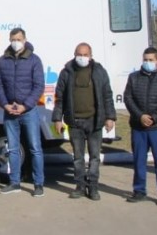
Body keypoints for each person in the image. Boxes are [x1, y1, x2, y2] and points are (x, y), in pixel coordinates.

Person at [52, 42, 116, 201]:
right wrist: (57, 119)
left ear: (90, 56)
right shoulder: (67, 72)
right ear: (74, 55)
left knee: (94, 157)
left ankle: (93, 186)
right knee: (78, 157)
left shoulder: (99, 71)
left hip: (95, 121)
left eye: (85, 55)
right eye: (79, 54)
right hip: (75, 123)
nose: (82, 57)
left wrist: (110, 117)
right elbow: (60, 98)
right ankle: (80, 186)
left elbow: (107, 95)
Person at [0, 28, 46, 197]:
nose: (15, 42)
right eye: (13, 39)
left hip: (28, 111)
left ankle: (38, 184)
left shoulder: (34, 60)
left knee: (35, 148)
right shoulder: (3, 60)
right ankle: (14, 182)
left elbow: (38, 86)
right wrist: (5, 105)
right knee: (13, 149)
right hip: (9, 111)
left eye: (18, 39)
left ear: (24, 40)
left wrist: (26, 105)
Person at [124, 46, 157, 206]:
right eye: (145, 60)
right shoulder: (134, 77)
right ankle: (139, 191)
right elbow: (128, 98)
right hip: (138, 127)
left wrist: (153, 117)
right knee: (139, 161)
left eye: (151, 60)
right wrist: (140, 116)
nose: (148, 62)